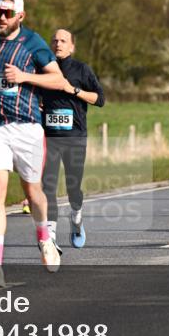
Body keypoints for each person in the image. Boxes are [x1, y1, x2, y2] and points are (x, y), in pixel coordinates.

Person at [0, 0, 67, 286]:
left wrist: (24, 77)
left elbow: (58, 80)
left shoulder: (33, 43)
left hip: (27, 126)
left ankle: (44, 238)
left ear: (20, 17)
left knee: (32, 190)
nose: (1, 17)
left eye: (8, 14)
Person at [41, 29, 105, 247]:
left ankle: (76, 216)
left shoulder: (81, 69)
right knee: (47, 185)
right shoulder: (43, 69)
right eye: (55, 40)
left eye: (63, 41)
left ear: (72, 47)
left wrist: (73, 90)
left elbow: (100, 99)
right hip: (48, 136)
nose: (58, 44)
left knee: (73, 186)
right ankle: (50, 234)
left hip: (75, 137)